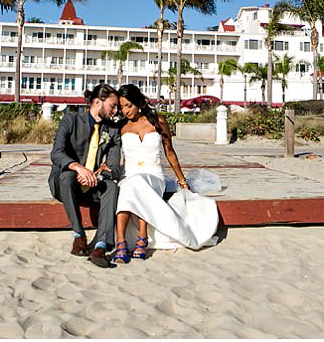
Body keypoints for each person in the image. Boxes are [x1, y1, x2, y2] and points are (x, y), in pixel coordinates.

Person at [110, 84, 219, 264]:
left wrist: (182, 180)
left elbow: (169, 152)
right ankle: (129, 240)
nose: (125, 111)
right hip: (129, 175)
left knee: (137, 184)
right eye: (122, 107)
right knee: (132, 184)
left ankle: (132, 240)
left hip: (154, 176)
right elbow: (113, 155)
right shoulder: (121, 127)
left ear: (139, 103)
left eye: (128, 105)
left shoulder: (158, 122)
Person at [48, 83, 123, 268]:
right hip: (67, 182)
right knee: (66, 177)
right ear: (98, 102)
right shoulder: (70, 120)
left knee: (112, 186)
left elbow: (114, 167)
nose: (115, 111)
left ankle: (100, 246)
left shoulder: (112, 131)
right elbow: (56, 153)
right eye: (112, 106)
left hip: (92, 183)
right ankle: (79, 236)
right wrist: (78, 168)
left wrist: (95, 175)